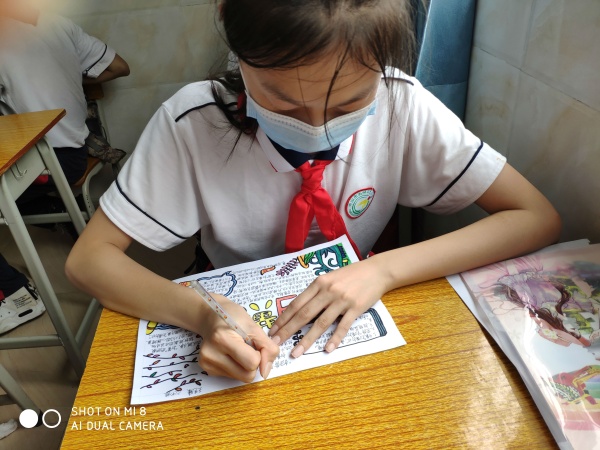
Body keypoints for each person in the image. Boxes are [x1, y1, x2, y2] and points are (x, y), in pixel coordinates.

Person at [66, 0, 561, 383]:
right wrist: (204, 313)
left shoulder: (402, 103)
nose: (318, 129)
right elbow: (89, 261)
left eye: (349, 104)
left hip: (353, 318)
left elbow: (535, 216)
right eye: (283, 103)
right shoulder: (191, 122)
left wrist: (382, 270)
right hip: (237, 310)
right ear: (238, 49)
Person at [0, 7, 129, 334]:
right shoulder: (58, 23)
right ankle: (62, 212)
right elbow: (118, 67)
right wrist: (64, 76)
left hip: (45, 160)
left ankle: (14, 293)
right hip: (76, 148)